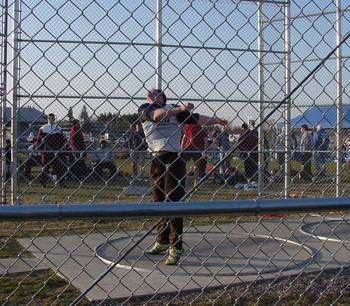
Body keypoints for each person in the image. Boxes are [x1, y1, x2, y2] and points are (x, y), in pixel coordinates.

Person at [140, 88, 227, 265]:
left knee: (173, 202)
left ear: (164, 98)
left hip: (174, 159)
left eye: (160, 94)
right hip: (157, 159)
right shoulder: (145, 109)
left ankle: (176, 246)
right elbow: (156, 116)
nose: (156, 96)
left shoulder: (176, 112)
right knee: (158, 202)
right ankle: (162, 241)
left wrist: (217, 120)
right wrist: (180, 109)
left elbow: (197, 119)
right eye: (153, 94)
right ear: (149, 99)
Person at [36, 113, 66, 187]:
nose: (51, 120)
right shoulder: (43, 128)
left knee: (59, 168)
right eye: (50, 118)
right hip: (47, 152)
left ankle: (61, 183)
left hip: (57, 151)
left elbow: (63, 140)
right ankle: (43, 183)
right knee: (45, 168)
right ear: (48, 119)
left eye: (53, 118)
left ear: (54, 119)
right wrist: (40, 149)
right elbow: (39, 140)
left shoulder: (58, 128)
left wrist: (61, 149)